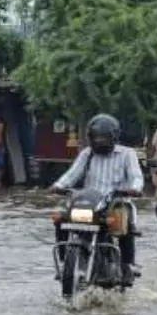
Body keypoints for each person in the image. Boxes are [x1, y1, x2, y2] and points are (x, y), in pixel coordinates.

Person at [51, 114, 145, 285]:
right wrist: (58, 186)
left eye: (103, 138)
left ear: (114, 137)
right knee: (60, 218)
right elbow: (72, 175)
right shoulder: (86, 154)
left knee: (123, 223)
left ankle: (127, 266)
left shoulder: (127, 154)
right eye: (96, 138)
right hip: (89, 204)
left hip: (116, 203)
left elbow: (136, 177)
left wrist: (134, 189)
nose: (100, 141)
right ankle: (65, 262)